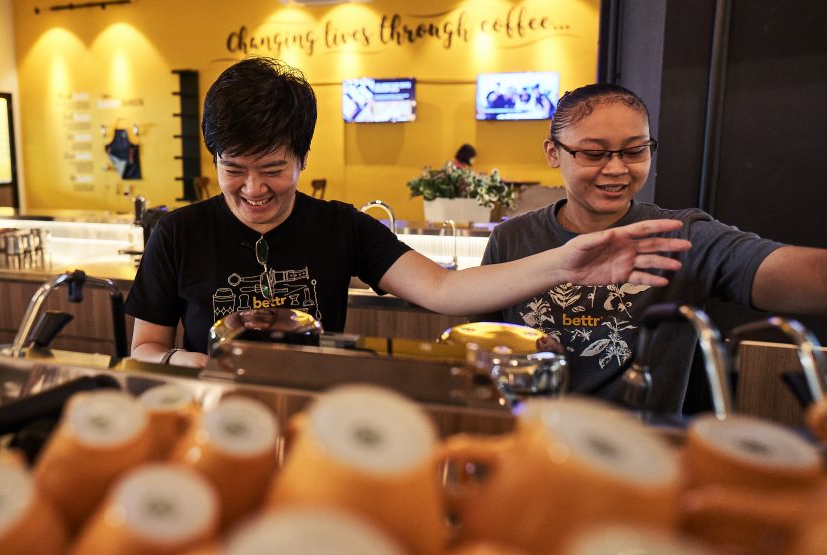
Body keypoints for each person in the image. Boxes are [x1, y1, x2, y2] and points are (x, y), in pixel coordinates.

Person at [124, 59, 690, 368]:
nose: (253, 189)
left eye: (273, 167)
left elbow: (444, 290)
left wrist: (563, 264)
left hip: (313, 416)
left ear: (302, 155)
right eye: (234, 168)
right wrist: (188, 363)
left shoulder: (340, 226)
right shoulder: (178, 232)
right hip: (206, 414)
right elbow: (144, 348)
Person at [476, 83, 827, 413]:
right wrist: (517, 353)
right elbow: (478, 346)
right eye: (594, 153)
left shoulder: (683, 235)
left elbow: (803, 274)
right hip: (532, 442)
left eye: (635, 151)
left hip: (646, 454)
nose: (616, 168)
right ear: (554, 153)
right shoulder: (512, 239)